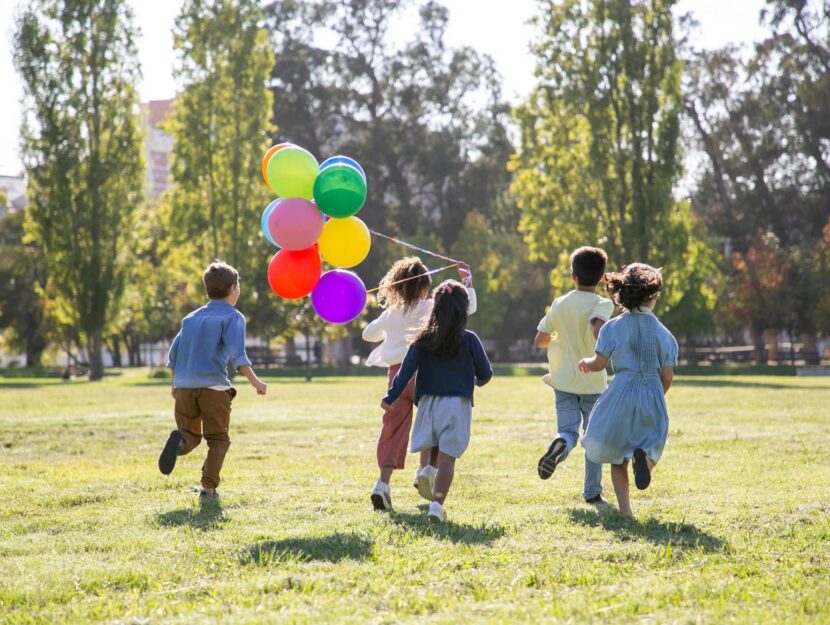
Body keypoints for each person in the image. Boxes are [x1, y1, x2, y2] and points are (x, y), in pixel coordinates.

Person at [363, 257, 476, 511]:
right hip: (424, 375)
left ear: (397, 287)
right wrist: (467, 282)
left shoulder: (391, 313)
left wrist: (389, 324)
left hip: (396, 378)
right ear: (425, 287)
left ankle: (382, 483)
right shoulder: (429, 307)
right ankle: (425, 471)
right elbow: (466, 308)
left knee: (392, 430)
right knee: (433, 425)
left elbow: (367, 334)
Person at [382, 280, 492, 523]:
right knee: (448, 459)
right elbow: (486, 373)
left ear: (436, 308)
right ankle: (436, 505)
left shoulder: (423, 339)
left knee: (432, 444)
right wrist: (476, 381)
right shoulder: (470, 339)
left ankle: (427, 470)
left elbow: (405, 372)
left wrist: (390, 397)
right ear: (464, 310)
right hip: (457, 405)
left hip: (428, 404)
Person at [158, 261, 267, 500]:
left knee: (190, 435)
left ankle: (180, 442)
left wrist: (174, 385)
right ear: (231, 288)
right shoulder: (233, 317)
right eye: (238, 285)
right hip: (214, 387)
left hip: (185, 386)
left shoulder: (191, 318)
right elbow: (238, 354)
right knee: (217, 439)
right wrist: (255, 381)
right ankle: (208, 489)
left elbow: (173, 354)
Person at [578, 263, 678, 518]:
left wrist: (586, 363)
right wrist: (657, 395)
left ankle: (626, 513)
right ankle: (644, 463)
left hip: (621, 392)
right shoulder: (665, 334)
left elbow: (599, 364)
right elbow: (667, 376)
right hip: (652, 392)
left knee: (617, 456)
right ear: (653, 297)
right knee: (653, 442)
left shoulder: (612, 327)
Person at [534, 246, 614, 503]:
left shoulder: (560, 303)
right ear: (602, 277)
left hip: (563, 381)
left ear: (572, 276)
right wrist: (599, 353)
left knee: (567, 430)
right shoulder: (603, 303)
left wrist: (561, 338)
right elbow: (597, 327)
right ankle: (592, 492)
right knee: (593, 439)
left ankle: (561, 444)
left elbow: (540, 340)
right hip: (592, 381)